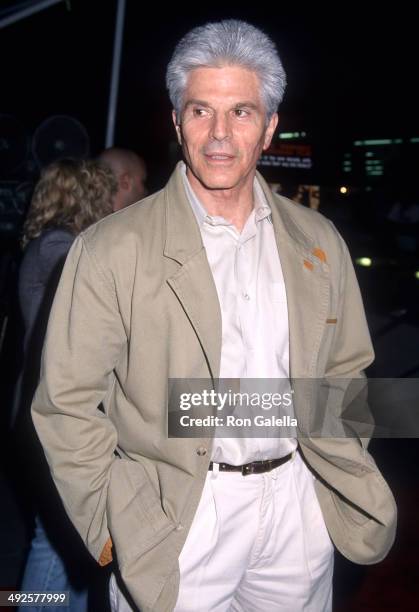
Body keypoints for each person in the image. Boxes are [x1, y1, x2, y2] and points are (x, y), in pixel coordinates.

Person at [31, 20, 397, 612]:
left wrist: (335, 467)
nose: (220, 135)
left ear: (270, 126)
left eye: (242, 113)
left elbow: (348, 373)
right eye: (201, 111)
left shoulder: (318, 240)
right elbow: (65, 404)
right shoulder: (111, 248)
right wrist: (111, 524)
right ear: (178, 121)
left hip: (297, 509)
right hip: (177, 515)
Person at [16, 158, 116, 611]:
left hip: (41, 409)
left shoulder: (45, 245)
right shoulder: (63, 249)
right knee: (58, 543)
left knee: (63, 541)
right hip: (54, 413)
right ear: (86, 196)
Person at [98, 147, 147, 211]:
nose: (145, 191)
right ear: (125, 182)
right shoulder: (140, 219)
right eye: (142, 182)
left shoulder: (88, 216)